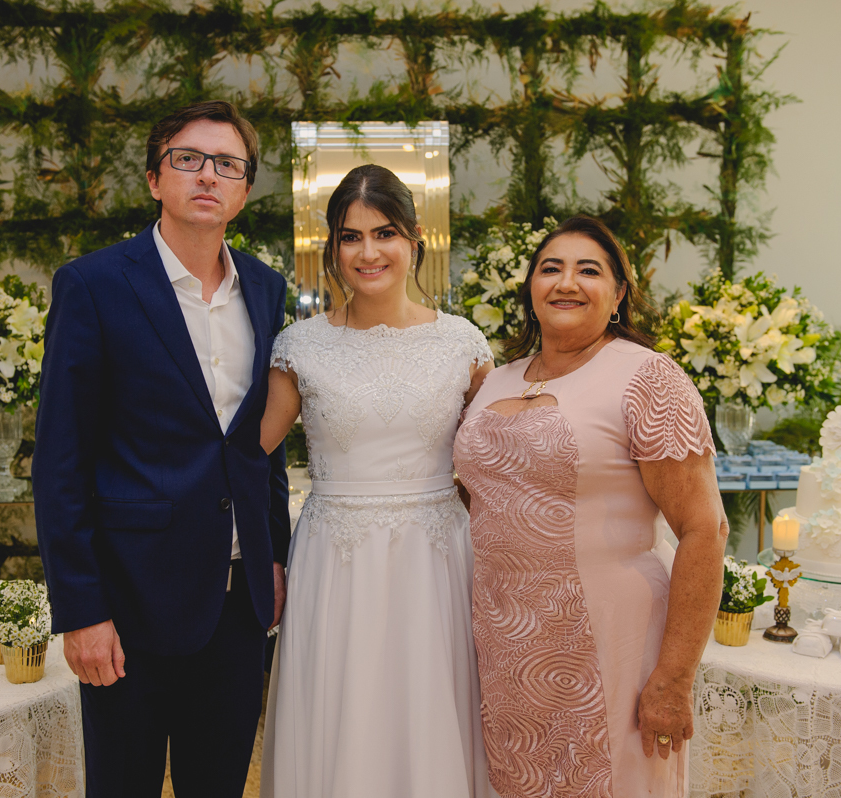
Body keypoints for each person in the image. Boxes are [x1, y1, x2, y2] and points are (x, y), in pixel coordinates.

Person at [32, 100, 290, 798]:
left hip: (236, 604)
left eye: (227, 164)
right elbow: (59, 463)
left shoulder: (266, 288)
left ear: (244, 189)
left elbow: (259, 444)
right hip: (130, 603)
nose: (208, 175)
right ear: (154, 178)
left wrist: (273, 556)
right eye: (188, 159)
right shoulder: (93, 285)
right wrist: (82, 611)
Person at [453, 215, 727, 797]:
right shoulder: (496, 380)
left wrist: (674, 678)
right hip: (505, 639)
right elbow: (485, 489)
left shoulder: (648, 378)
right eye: (550, 268)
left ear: (619, 292)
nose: (566, 282)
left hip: (610, 636)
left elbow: (705, 529)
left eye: (588, 271)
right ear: (531, 288)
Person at [258, 164, 495, 798]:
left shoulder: (463, 344)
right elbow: (249, 455)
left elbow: (492, 463)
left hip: (436, 560)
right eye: (350, 236)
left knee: (429, 710)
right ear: (332, 248)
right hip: (337, 561)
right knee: (346, 711)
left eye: (384, 233)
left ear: (415, 239)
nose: (368, 252)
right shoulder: (300, 347)